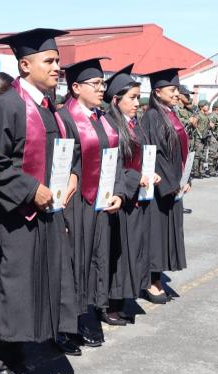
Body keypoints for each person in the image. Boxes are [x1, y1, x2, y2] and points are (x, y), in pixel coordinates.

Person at [0, 27, 80, 374]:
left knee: (33, 288)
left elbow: (72, 153)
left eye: (57, 61)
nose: (57, 67)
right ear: (24, 64)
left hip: (46, 213)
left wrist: (73, 178)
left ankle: (17, 357)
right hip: (11, 218)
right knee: (10, 288)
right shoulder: (4, 107)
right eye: (49, 61)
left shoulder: (52, 110)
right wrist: (30, 189)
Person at [58, 57, 125, 341]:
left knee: (96, 261)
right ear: (76, 87)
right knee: (73, 262)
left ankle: (86, 315)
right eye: (95, 84)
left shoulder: (104, 120)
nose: (102, 89)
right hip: (74, 204)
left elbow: (116, 160)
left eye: (102, 83)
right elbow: (61, 166)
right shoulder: (63, 119)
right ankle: (65, 326)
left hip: (100, 203)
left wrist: (119, 192)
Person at [104, 64, 160, 323]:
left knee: (133, 250)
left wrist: (150, 174)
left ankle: (121, 299)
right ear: (116, 100)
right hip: (122, 197)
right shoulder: (112, 126)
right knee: (119, 253)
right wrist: (138, 179)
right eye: (133, 98)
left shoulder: (133, 124)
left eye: (139, 97)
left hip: (137, 196)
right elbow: (117, 167)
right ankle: (110, 304)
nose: (138, 102)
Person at [140, 68, 189, 304]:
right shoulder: (152, 116)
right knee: (155, 235)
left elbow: (179, 150)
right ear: (157, 91)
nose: (176, 93)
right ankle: (151, 280)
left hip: (172, 185)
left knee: (167, 234)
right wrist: (172, 183)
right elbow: (154, 154)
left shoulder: (169, 114)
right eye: (172, 89)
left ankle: (157, 277)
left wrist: (185, 179)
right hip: (160, 188)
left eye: (177, 89)